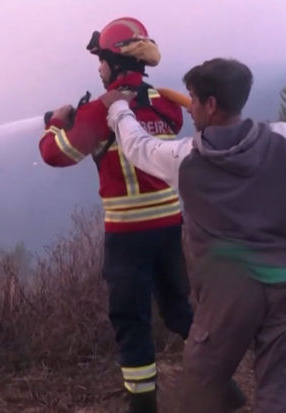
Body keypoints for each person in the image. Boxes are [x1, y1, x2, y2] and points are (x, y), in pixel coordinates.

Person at [102, 58, 286, 413]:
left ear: (211, 104)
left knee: (201, 386)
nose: (189, 108)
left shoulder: (186, 158)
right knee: (279, 389)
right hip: (282, 280)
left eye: (194, 99)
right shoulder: (280, 138)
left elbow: (138, 146)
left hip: (229, 292)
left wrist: (118, 108)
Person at [38, 17, 193, 413]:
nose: (98, 69)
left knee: (131, 320)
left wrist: (57, 123)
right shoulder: (165, 103)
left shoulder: (102, 110)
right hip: (170, 227)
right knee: (179, 309)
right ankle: (220, 380)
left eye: (101, 60)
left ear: (115, 62)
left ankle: (143, 406)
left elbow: (55, 154)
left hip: (128, 236)